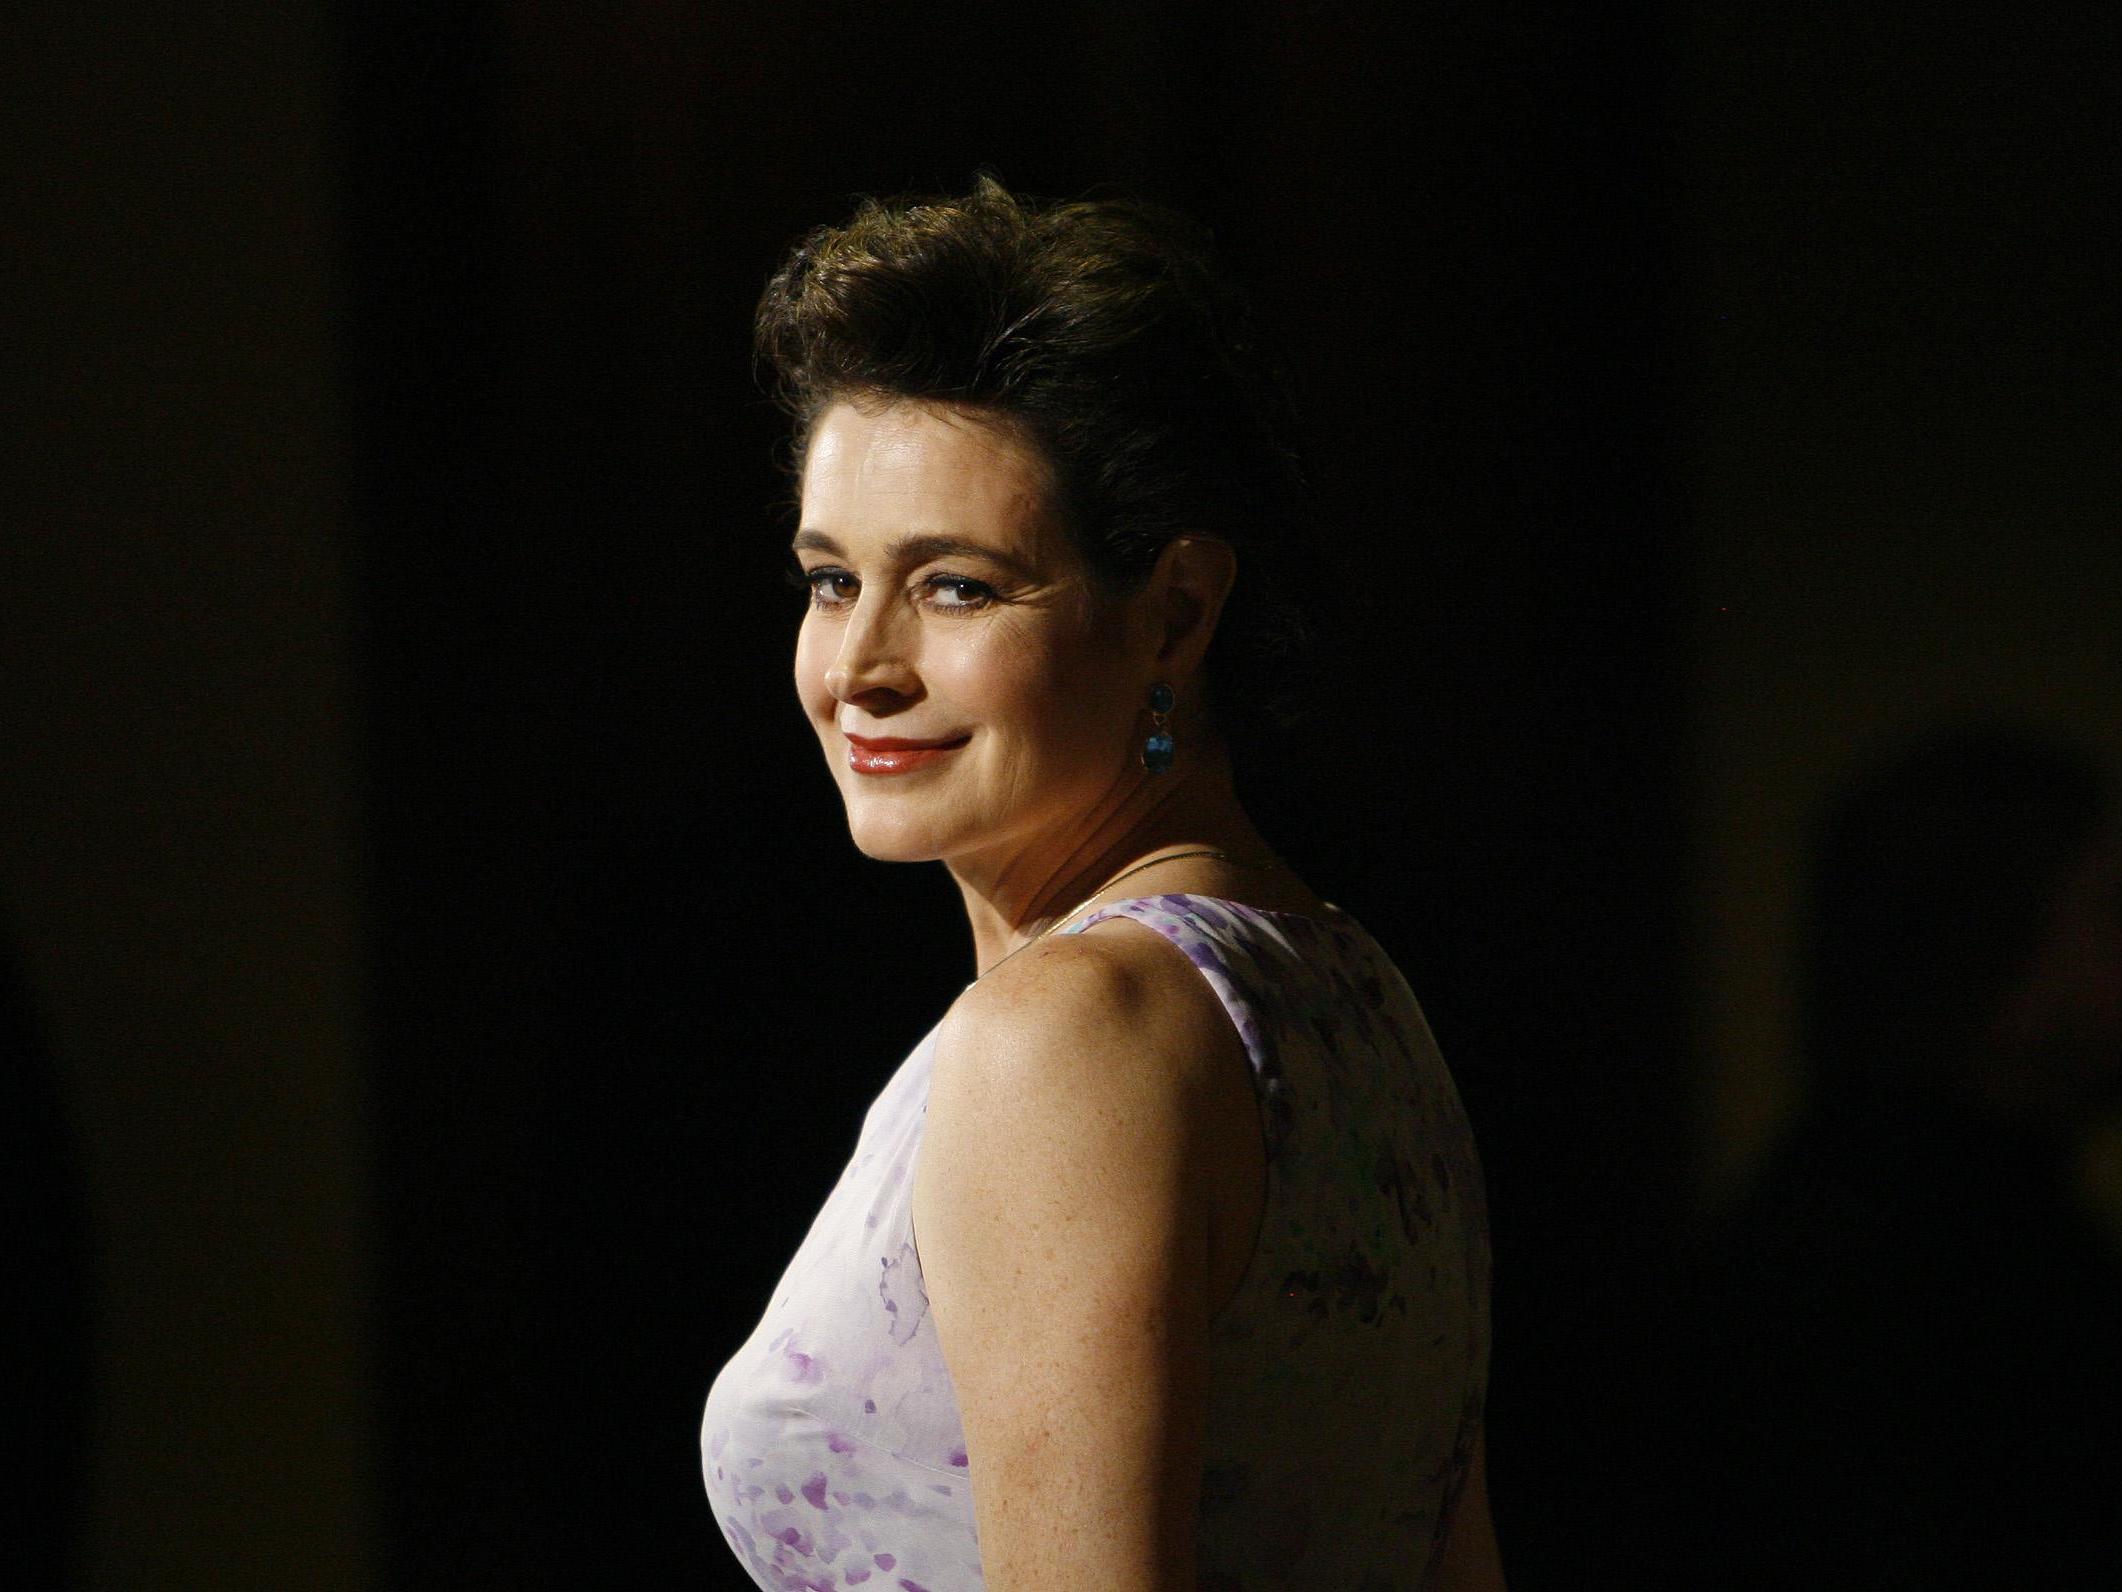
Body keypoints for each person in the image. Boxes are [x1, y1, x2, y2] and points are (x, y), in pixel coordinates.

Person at [701, 175, 1502, 1592]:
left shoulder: (1065, 1039)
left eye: (956, 586)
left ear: (1175, 611)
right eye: (830, 581)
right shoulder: (1351, 995)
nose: (860, 670)